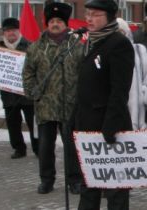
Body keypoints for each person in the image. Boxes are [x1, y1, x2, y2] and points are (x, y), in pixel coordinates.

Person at [75, 0, 134, 209]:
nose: (89, 18)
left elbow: (119, 91)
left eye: (95, 14)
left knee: (115, 189)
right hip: (87, 125)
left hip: (110, 129)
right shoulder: (91, 42)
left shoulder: (119, 44)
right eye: (87, 13)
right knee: (89, 185)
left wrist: (110, 128)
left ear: (109, 16)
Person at [23, 2, 83, 194]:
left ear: (65, 23)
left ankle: (74, 180)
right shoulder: (36, 47)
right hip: (45, 106)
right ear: (47, 23)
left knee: (71, 148)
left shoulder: (77, 46)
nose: (55, 24)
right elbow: (28, 73)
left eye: (59, 20)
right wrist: (32, 91)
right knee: (45, 147)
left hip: (70, 105)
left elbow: (84, 73)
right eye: (52, 21)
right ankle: (46, 180)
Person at [0, 17, 38, 159]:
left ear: (18, 30)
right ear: (4, 32)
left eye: (13, 30)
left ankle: (38, 148)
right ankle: (18, 148)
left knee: (32, 123)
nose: (11, 33)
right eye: (8, 31)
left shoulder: (30, 46)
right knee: (12, 124)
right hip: (8, 94)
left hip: (27, 94)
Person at [117, 18, 147, 130]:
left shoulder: (139, 50)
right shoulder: (108, 52)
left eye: (121, 32)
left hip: (140, 113)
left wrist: (143, 94)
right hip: (118, 110)